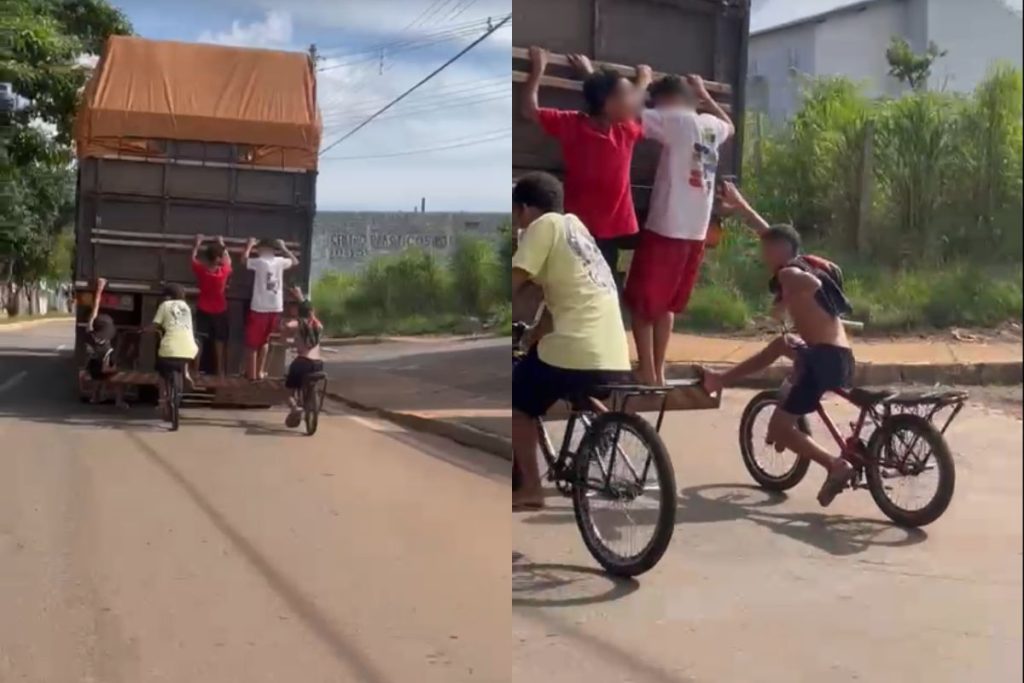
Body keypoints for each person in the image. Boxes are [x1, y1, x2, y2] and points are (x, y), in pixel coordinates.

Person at [702, 185, 857, 507]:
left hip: (822, 360)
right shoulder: (806, 261)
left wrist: (793, 291)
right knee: (785, 344)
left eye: (766, 251)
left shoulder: (791, 271)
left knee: (781, 426)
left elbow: (806, 282)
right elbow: (767, 232)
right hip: (841, 356)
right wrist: (743, 207)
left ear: (777, 253)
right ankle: (723, 379)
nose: (763, 254)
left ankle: (835, 465)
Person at [511, 172, 632, 511]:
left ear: (524, 210)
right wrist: (532, 340)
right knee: (564, 373)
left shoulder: (542, 225)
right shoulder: (577, 231)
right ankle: (603, 426)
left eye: (515, 216)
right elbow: (556, 308)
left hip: (576, 351)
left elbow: (514, 282)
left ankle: (531, 489)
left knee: (519, 402)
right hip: (616, 354)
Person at [625, 74, 735, 386]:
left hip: (666, 227)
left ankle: (647, 372)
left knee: (643, 305)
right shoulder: (711, 125)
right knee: (667, 305)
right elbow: (731, 125)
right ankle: (658, 371)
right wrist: (706, 95)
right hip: (696, 231)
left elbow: (629, 109)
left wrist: (642, 80)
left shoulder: (675, 119)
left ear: (667, 101)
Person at [521, 46, 652, 279]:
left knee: (603, 281)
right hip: (578, 228)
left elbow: (626, 104)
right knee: (576, 280)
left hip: (609, 231)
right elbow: (530, 110)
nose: (634, 101)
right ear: (607, 103)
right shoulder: (574, 124)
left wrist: (642, 82)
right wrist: (538, 70)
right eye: (627, 94)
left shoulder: (624, 129)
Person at [242, 237, 299, 381]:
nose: (258, 250)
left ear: (264, 249)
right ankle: (260, 372)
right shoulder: (280, 261)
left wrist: (249, 246)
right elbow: (295, 261)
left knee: (252, 344)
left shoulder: (259, 262)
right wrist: (284, 248)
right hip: (275, 307)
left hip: (259, 308)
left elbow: (244, 260)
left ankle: (252, 375)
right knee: (265, 341)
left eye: (259, 248)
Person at [152, 283, 199, 417]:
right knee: (189, 348)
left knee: (162, 370)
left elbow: (155, 325)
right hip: (189, 349)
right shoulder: (187, 307)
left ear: (167, 296)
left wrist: (144, 330)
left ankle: (162, 401)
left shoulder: (164, 305)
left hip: (169, 348)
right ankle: (187, 372)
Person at [280, 286, 324, 428]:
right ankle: (312, 398)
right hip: (318, 363)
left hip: (302, 363)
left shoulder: (297, 324)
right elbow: (309, 310)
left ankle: (295, 407)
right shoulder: (318, 325)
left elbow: (285, 326)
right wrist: (300, 298)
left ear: (299, 312)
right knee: (312, 381)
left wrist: (285, 332)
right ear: (312, 312)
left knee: (288, 390)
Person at [191, 234, 232, 379]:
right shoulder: (222, 273)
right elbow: (228, 260)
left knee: (199, 340)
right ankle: (220, 371)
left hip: (203, 308)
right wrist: (221, 242)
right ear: (218, 259)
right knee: (219, 341)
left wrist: (197, 244)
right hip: (220, 310)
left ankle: (195, 370)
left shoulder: (201, 270)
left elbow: (193, 259)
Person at [85, 277, 127, 408]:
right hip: (107, 362)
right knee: (116, 377)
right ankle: (118, 401)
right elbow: (96, 307)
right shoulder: (109, 332)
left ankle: (94, 396)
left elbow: (95, 308)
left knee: (96, 377)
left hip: (95, 366)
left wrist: (99, 289)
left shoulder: (90, 332)